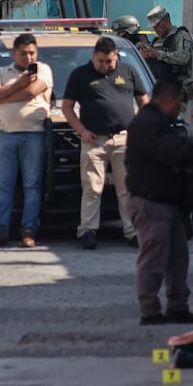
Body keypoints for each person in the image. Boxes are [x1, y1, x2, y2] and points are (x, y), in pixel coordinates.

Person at [126, 79, 193, 326]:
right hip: (152, 202)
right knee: (153, 260)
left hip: (166, 202)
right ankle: (149, 311)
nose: (179, 109)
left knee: (178, 258)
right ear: (169, 100)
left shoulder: (159, 122)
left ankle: (177, 306)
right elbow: (172, 152)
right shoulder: (149, 124)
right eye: (179, 104)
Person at [61, 36, 149, 250]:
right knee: (92, 187)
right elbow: (66, 107)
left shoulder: (128, 71)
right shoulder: (80, 75)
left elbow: (144, 102)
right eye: (100, 61)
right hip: (94, 140)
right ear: (93, 56)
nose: (105, 65)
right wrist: (81, 131)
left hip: (124, 139)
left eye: (109, 61)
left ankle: (132, 232)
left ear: (115, 56)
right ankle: (88, 231)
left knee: (127, 188)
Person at [0, 33, 53, 248]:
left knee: (32, 186)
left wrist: (2, 97)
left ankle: (29, 230)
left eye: (32, 52)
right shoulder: (2, 72)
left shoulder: (43, 70)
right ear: (14, 53)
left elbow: (31, 92)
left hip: (34, 135)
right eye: (23, 53)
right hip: (6, 135)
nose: (29, 57)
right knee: (4, 186)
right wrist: (17, 84)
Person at [140, 6, 193, 119]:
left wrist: (158, 54)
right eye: (153, 26)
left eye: (158, 25)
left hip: (178, 88)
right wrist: (146, 55)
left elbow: (183, 57)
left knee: (174, 120)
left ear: (167, 19)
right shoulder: (156, 41)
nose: (156, 29)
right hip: (159, 89)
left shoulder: (181, 35)